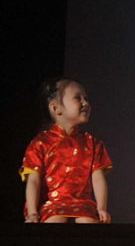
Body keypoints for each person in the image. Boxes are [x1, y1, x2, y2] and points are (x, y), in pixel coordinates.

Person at [20, 77, 112, 223]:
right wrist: (32, 213)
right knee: (55, 221)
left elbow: (98, 179)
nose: (85, 103)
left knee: (88, 222)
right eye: (78, 98)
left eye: (86, 99)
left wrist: (101, 208)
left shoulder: (92, 143)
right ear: (55, 108)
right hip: (52, 204)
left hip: (83, 204)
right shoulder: (40, 143)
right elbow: (33, 181)